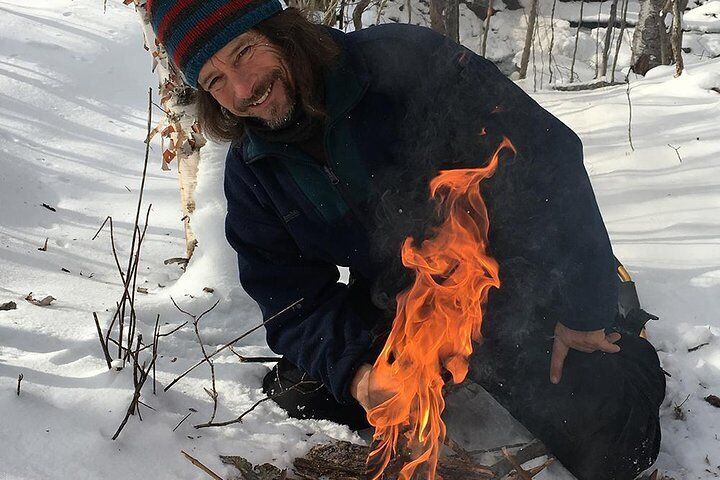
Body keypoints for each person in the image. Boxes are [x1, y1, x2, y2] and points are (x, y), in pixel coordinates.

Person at [147, 1, 666, 478]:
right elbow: (291, 299)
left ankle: (620, 325)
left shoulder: (401, 62)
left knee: (612, 449)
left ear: (282, 32)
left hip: (517, 281)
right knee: (301, 388)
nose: (242, 90)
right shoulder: (253, 171)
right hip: (406, 306)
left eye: (244, 53)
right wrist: (359, 376)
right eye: (215, 80)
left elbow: (547, 161)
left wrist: (582, 306)